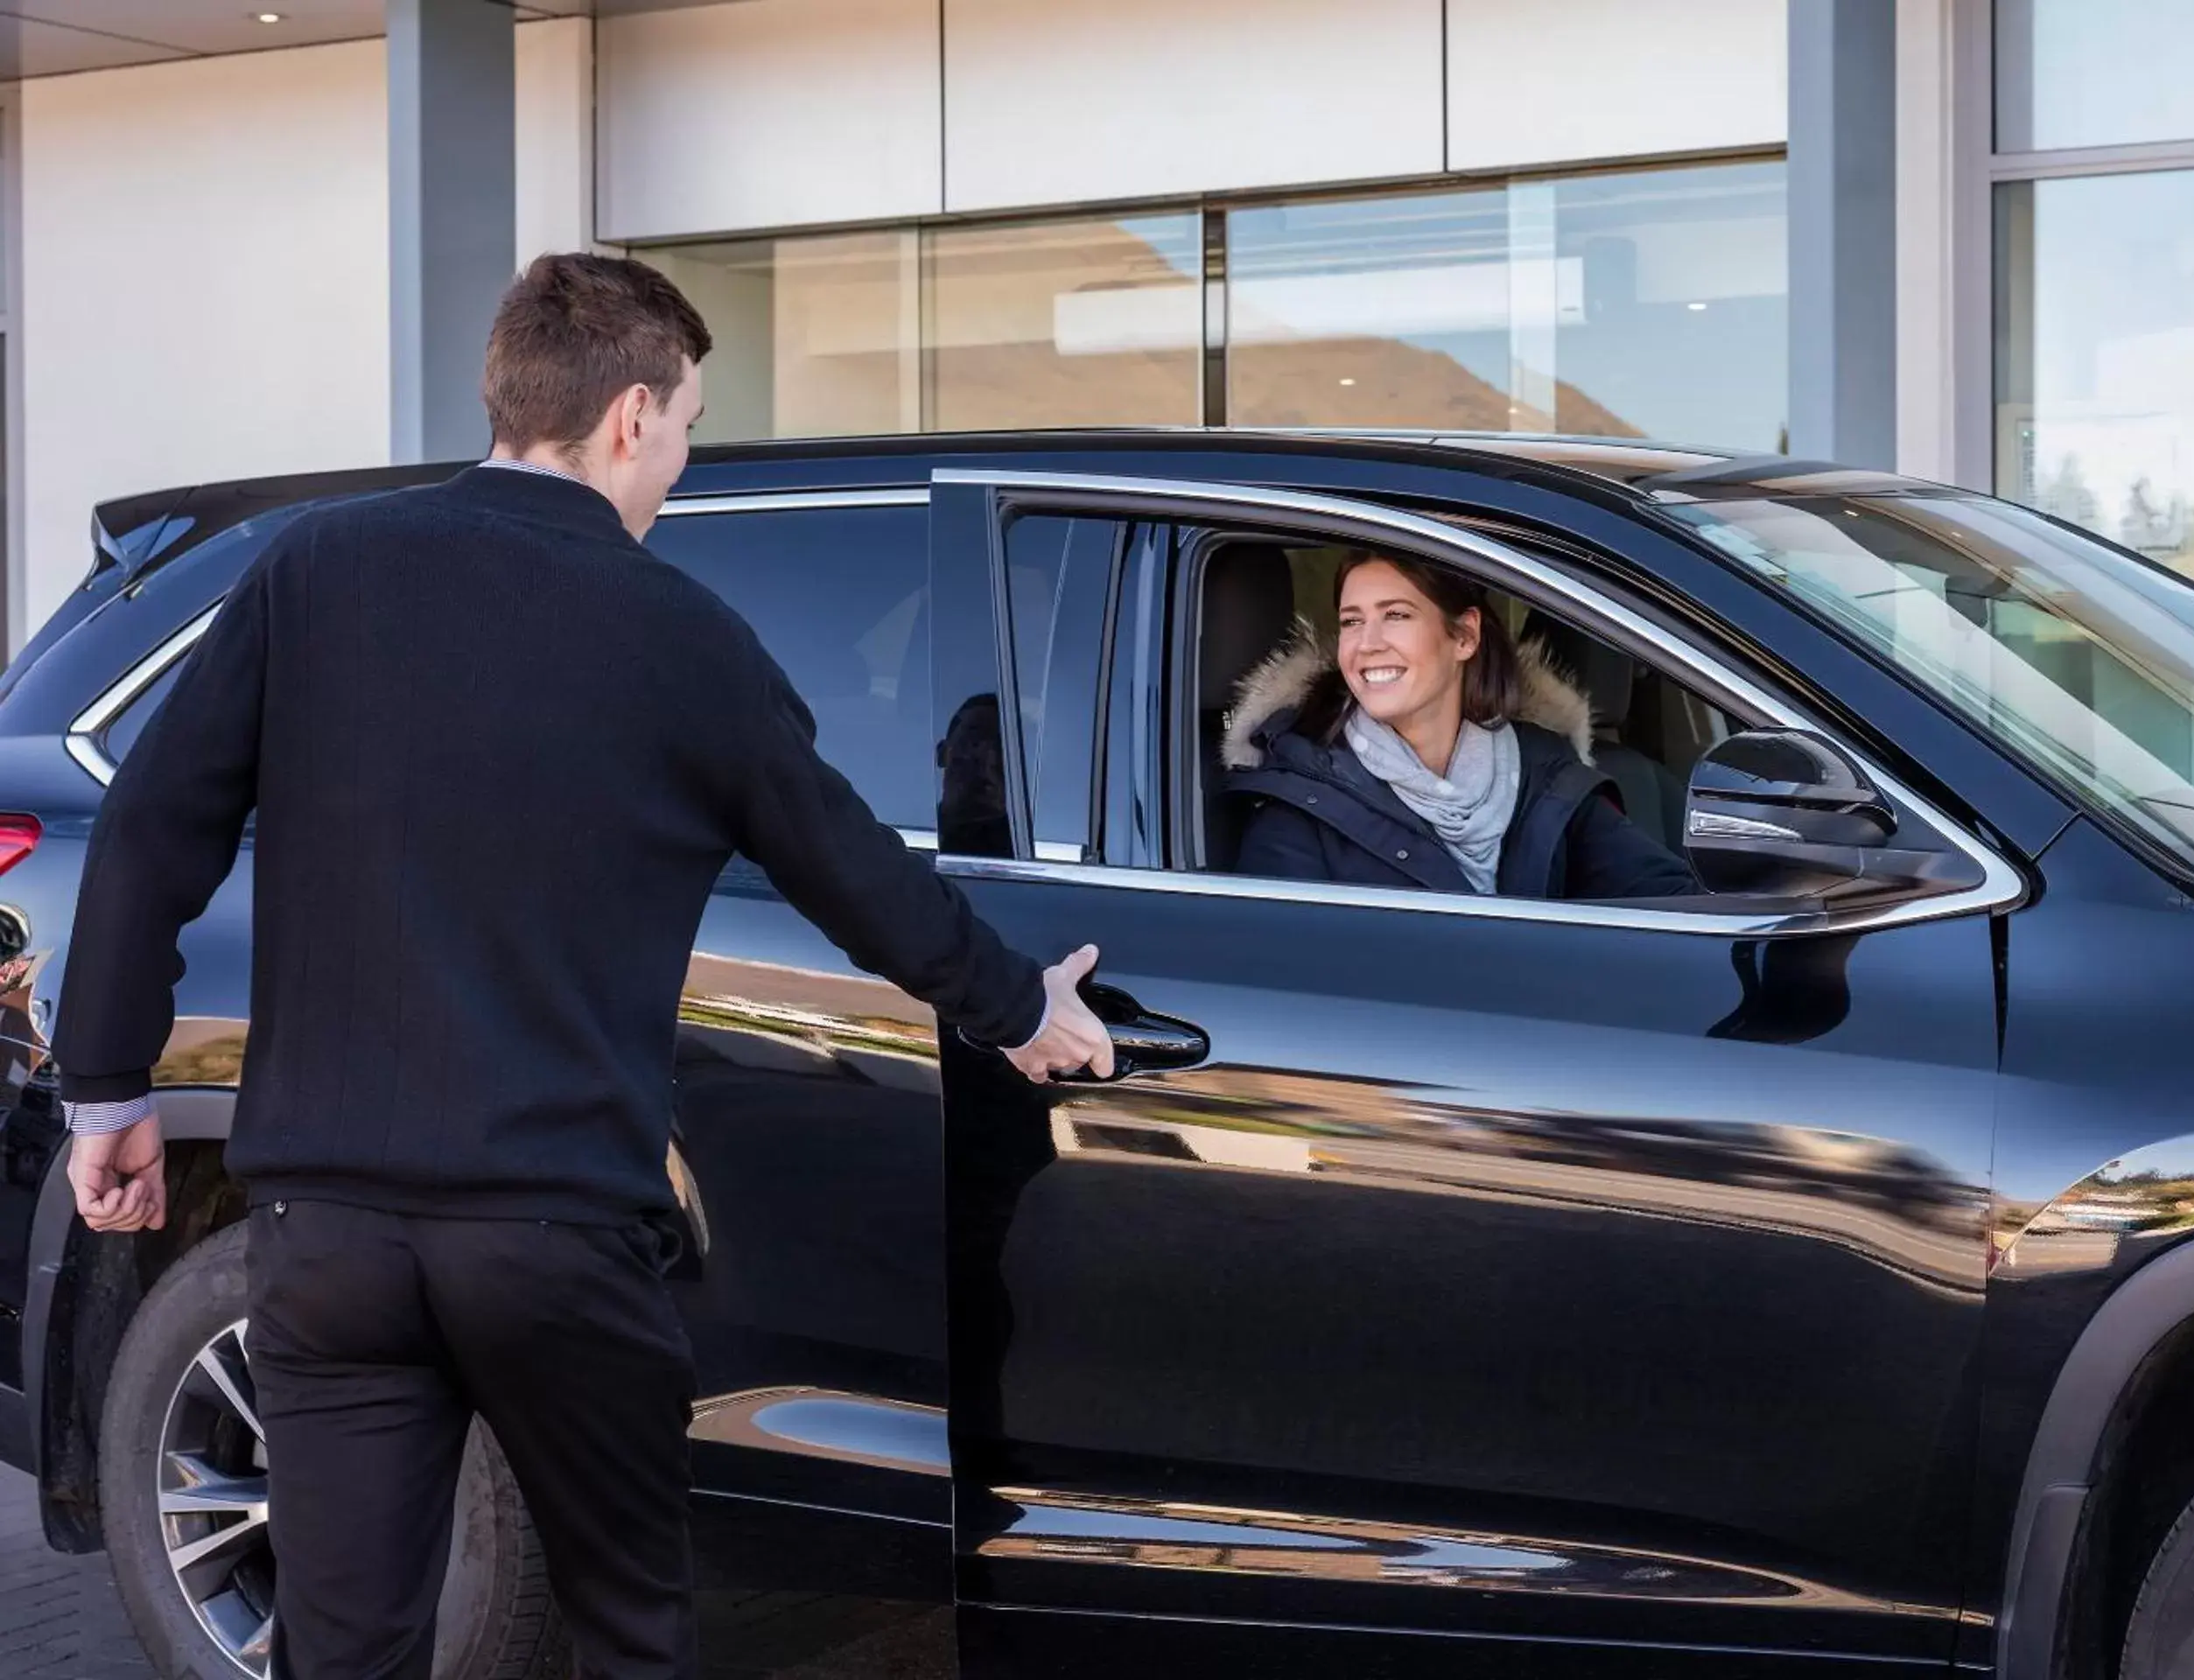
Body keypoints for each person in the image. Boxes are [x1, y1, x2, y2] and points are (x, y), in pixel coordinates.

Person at [49, 252, 1114, 1679]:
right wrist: (1016, 1005)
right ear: (627, 416)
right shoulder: (682, 635)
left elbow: (148, 835)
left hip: (333, 1237)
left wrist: (107, 1091)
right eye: (681, 426)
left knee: (342, 1648)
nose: (676, 461)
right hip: (557, 1245)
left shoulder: (318, 571)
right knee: (623, 1629)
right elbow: (850, 868)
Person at [1224, 551, 1697, 900]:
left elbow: (1666, 900)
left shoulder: (1546, 771)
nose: (1366, 644)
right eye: (1352, 621)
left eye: (1396, 615)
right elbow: (1284, 988)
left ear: (1465, 636)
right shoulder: (1299, 802)